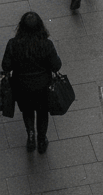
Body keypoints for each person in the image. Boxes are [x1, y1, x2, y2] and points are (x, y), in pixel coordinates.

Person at [2, 12, 62, 153]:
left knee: (27, 111)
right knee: (42, 112)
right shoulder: (46, 44)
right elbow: (56, 65)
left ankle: (30, 135)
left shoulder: (13, 44)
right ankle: (41, 140)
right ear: (40, 27)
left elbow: (6, 66)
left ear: (21, 27)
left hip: (21, 86)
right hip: (43, 86)